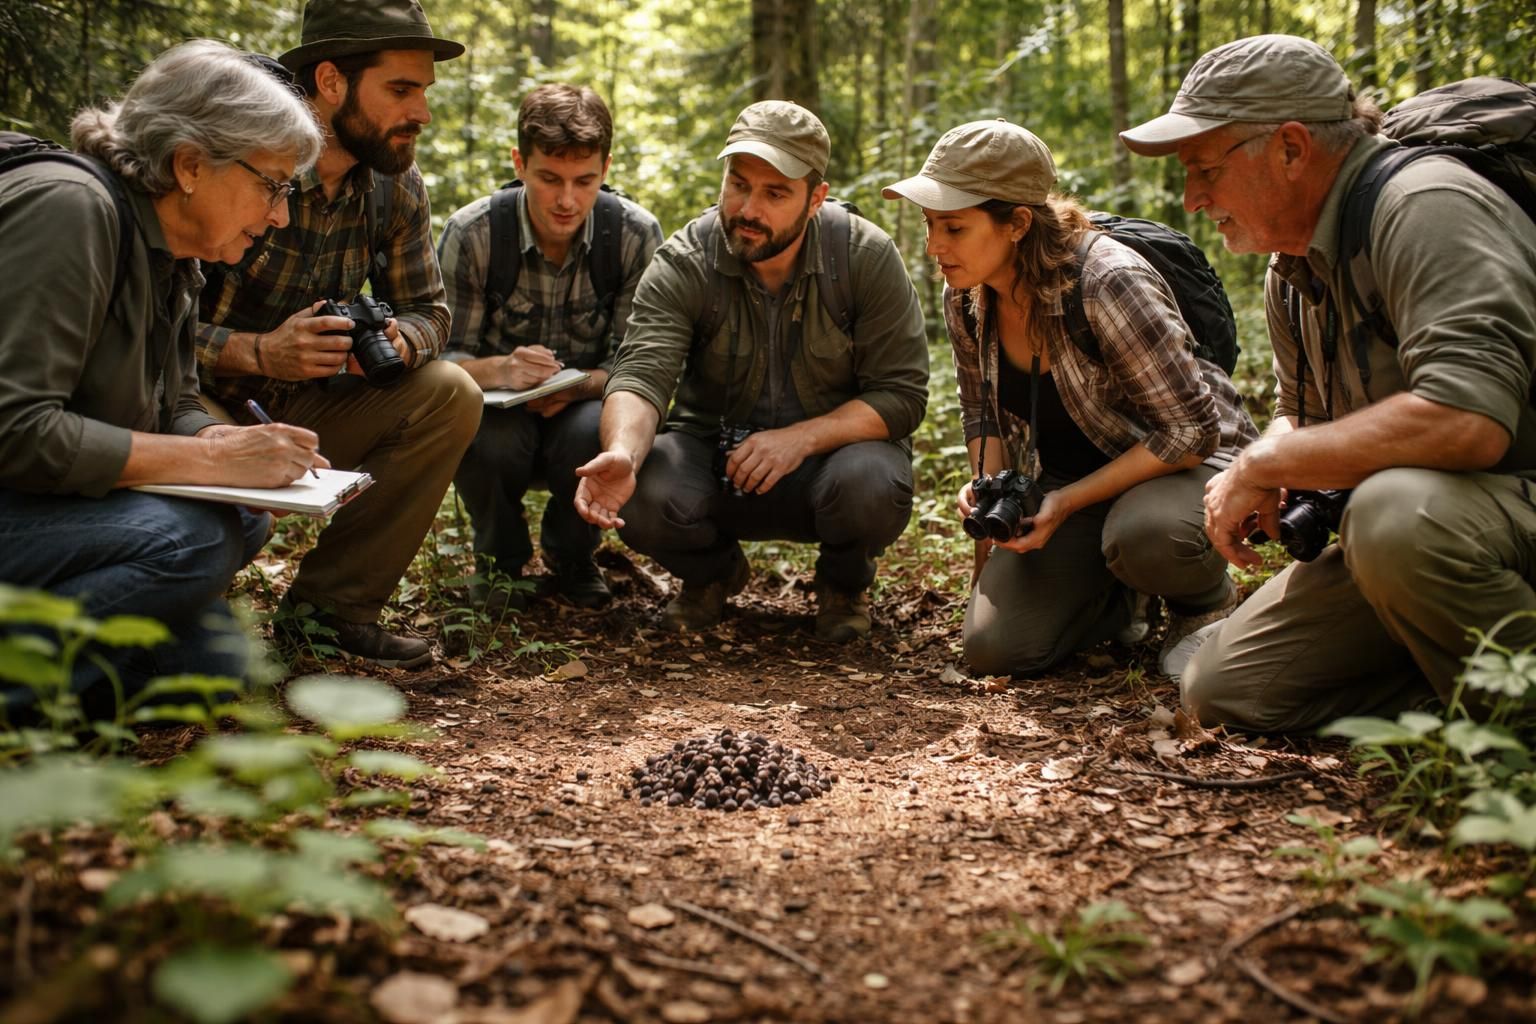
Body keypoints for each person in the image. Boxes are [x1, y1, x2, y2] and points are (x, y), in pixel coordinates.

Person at [1121, 35, 1536, 732]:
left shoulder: (1425, 204)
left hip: (1466, 515)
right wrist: (1278, 454)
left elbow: (1467, 418)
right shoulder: (1292, 268)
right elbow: (1303, 416)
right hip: (1453, 535)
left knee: (1395, 515)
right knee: (1228, 689)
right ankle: (1458, 692)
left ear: (1289, 148)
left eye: (1204, 170)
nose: (1193, 199)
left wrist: (1264, 459)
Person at [0, 40, 327, 715]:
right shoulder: (69, 209)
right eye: (271, 185)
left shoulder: (172, 251)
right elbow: (16, 430)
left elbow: (171, 398)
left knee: (217, 659)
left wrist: (232, 451)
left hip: (38, 506)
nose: (280, 215)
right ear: (189, 165)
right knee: (193, 539)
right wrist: (213, 459)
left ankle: (58, 684)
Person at [881, 120, 1257, 678]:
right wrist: (988, 499)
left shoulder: (1108, 281)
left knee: (1145, 535)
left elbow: (1190, 433)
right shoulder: (965, 295)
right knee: (995, 649)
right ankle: (1121, 596)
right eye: (930, 225)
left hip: (1184, 469)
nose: (935, 247)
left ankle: (1202, 602)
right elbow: (981, 409)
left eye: (954, 228)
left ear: (1017, 224)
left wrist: (1068, 501)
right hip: (1077, 480)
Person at [573, 101, 929, 641]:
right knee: (645, 483)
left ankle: (843, 584)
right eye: (738, 184)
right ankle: (711, 575)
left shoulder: (864, 256)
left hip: (829, 467)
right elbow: (643, 371)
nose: (748, 208)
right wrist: (623, 450)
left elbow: (902, 395)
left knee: (872, 480)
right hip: (715, 463)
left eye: (775, 193)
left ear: (816, 200)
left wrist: (800, 439)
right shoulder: (685, 259)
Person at [196, 0, 482, 670]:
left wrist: (392, 344)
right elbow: (145, 328)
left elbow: (431, 312)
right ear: (330, 83)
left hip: (311, 403)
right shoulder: (236, 160)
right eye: (401, 90)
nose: (422, 113)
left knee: (450, 393)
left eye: (424, 92)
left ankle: (332, 613)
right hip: (195, 402)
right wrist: (258, 351)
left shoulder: (394, 183)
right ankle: (179, 624)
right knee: (225, 528)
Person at [438, 84, 663, 611]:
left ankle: (574, 556)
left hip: (586, 411)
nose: (567, 200)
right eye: (549, 179)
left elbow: (643, 364)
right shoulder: (473, 235)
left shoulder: (633, 236)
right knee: (481, 435)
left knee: (592, 433)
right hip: (496, 413)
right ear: (519, 163)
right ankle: (498, 561)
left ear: (606, 168)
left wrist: (581, 385)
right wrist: (500, 370)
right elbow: (437, 361)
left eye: (585, 181)